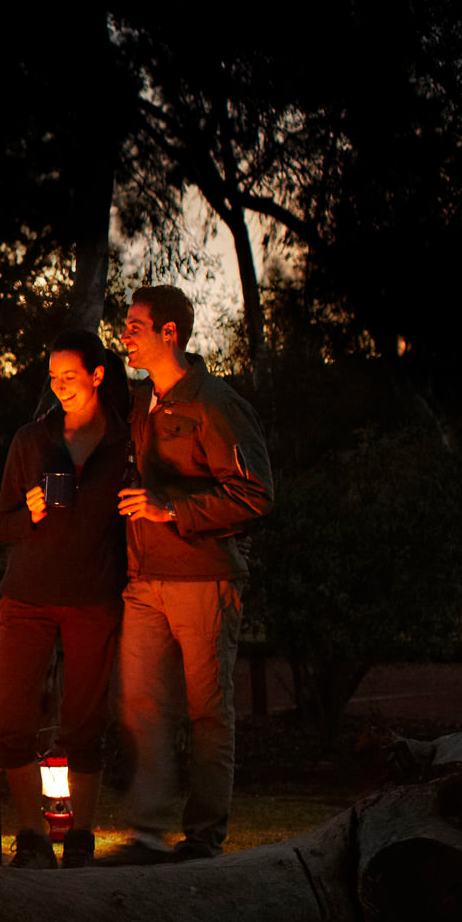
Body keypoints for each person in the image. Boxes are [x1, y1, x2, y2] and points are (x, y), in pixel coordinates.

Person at [103, 285, 274, 865]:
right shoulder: (140, 404)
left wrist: (171, 509)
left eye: (135, 324)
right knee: (141, 707)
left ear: (169, 332)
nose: (125, 333)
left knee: (207, 712)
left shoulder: (215, 405)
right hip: (143, 579)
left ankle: (202, 840)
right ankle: (147, 834)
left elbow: (255, 494)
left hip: (203, 579)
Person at [0, 329, 132, 869]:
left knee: (84, 723)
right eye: (53, 377)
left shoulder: (125, 442)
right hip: (26, 597)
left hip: (93, 597)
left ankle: (80, 839)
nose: (60, 385)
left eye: (70, 376)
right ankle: (30, 837)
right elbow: (1, 525)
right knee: (10, 719)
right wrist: (30, 513)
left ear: (97, 375)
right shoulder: (32, 439)